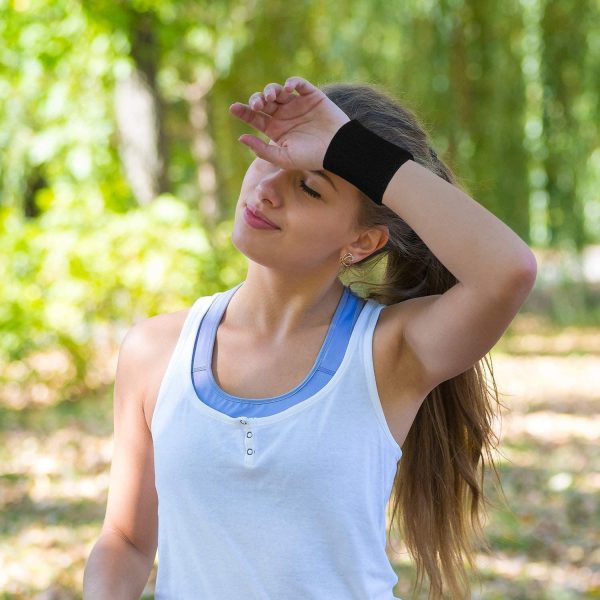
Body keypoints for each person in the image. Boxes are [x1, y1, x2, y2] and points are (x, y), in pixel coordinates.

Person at [83, 75, 537, 599]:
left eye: (309, 186)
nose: (266, 190)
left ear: (363, 241)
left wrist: (349, 148)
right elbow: (125, 540)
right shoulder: (153, 352)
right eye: (269, 157)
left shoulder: (388, 353)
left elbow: (508, 272)